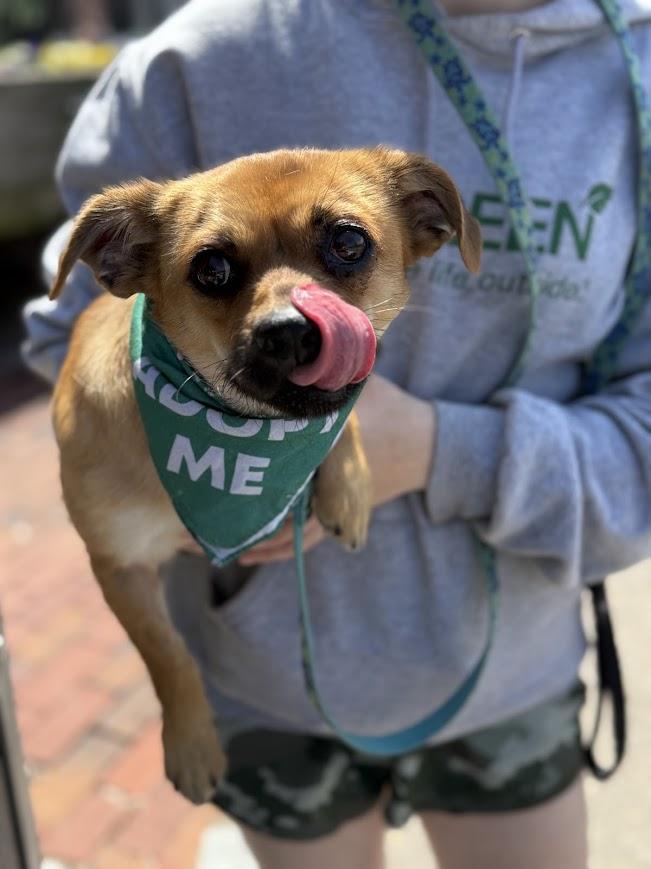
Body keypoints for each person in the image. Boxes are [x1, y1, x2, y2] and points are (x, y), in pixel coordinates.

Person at [22, 0, 651, 866]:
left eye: (345, 247)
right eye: (217, 269)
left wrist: (430, 447)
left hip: (509, 670)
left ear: (430, 227)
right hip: (261, 693)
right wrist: (176, 461)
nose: (285, 311)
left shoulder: (635, 77)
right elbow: (67, 332)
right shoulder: (192, 55)